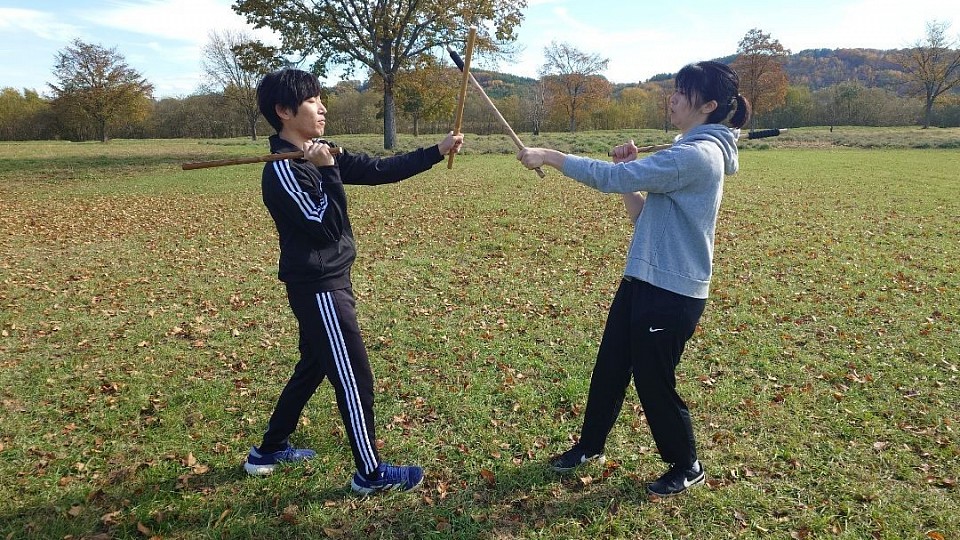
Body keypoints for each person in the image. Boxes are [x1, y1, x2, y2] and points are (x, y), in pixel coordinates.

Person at [517, 61, 751, 497]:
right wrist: (630, 174)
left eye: (683, 92)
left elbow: (608, 177)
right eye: (675, 89)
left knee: (653, 379)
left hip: (673, 290)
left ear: (709, 105)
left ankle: (687, 464)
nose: (673, 98)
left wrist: (549, 155)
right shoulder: (686, 150)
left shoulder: (696, 156)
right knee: (610, 366)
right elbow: (644, 218)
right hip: (643, 280)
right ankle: (589, 446)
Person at [244, 68, 463, 495]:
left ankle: (268, 450)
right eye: (312, 101)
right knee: (354, 377)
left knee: (313, 366)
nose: (322, 107)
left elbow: (380, 169)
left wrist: (437, 151)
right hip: (319, 287)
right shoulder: (285, 171)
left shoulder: (315, 153)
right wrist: (327, 171)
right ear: (284, 111)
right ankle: (370, 473)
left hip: (331, 279)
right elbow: (326, 228)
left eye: (320, 98)